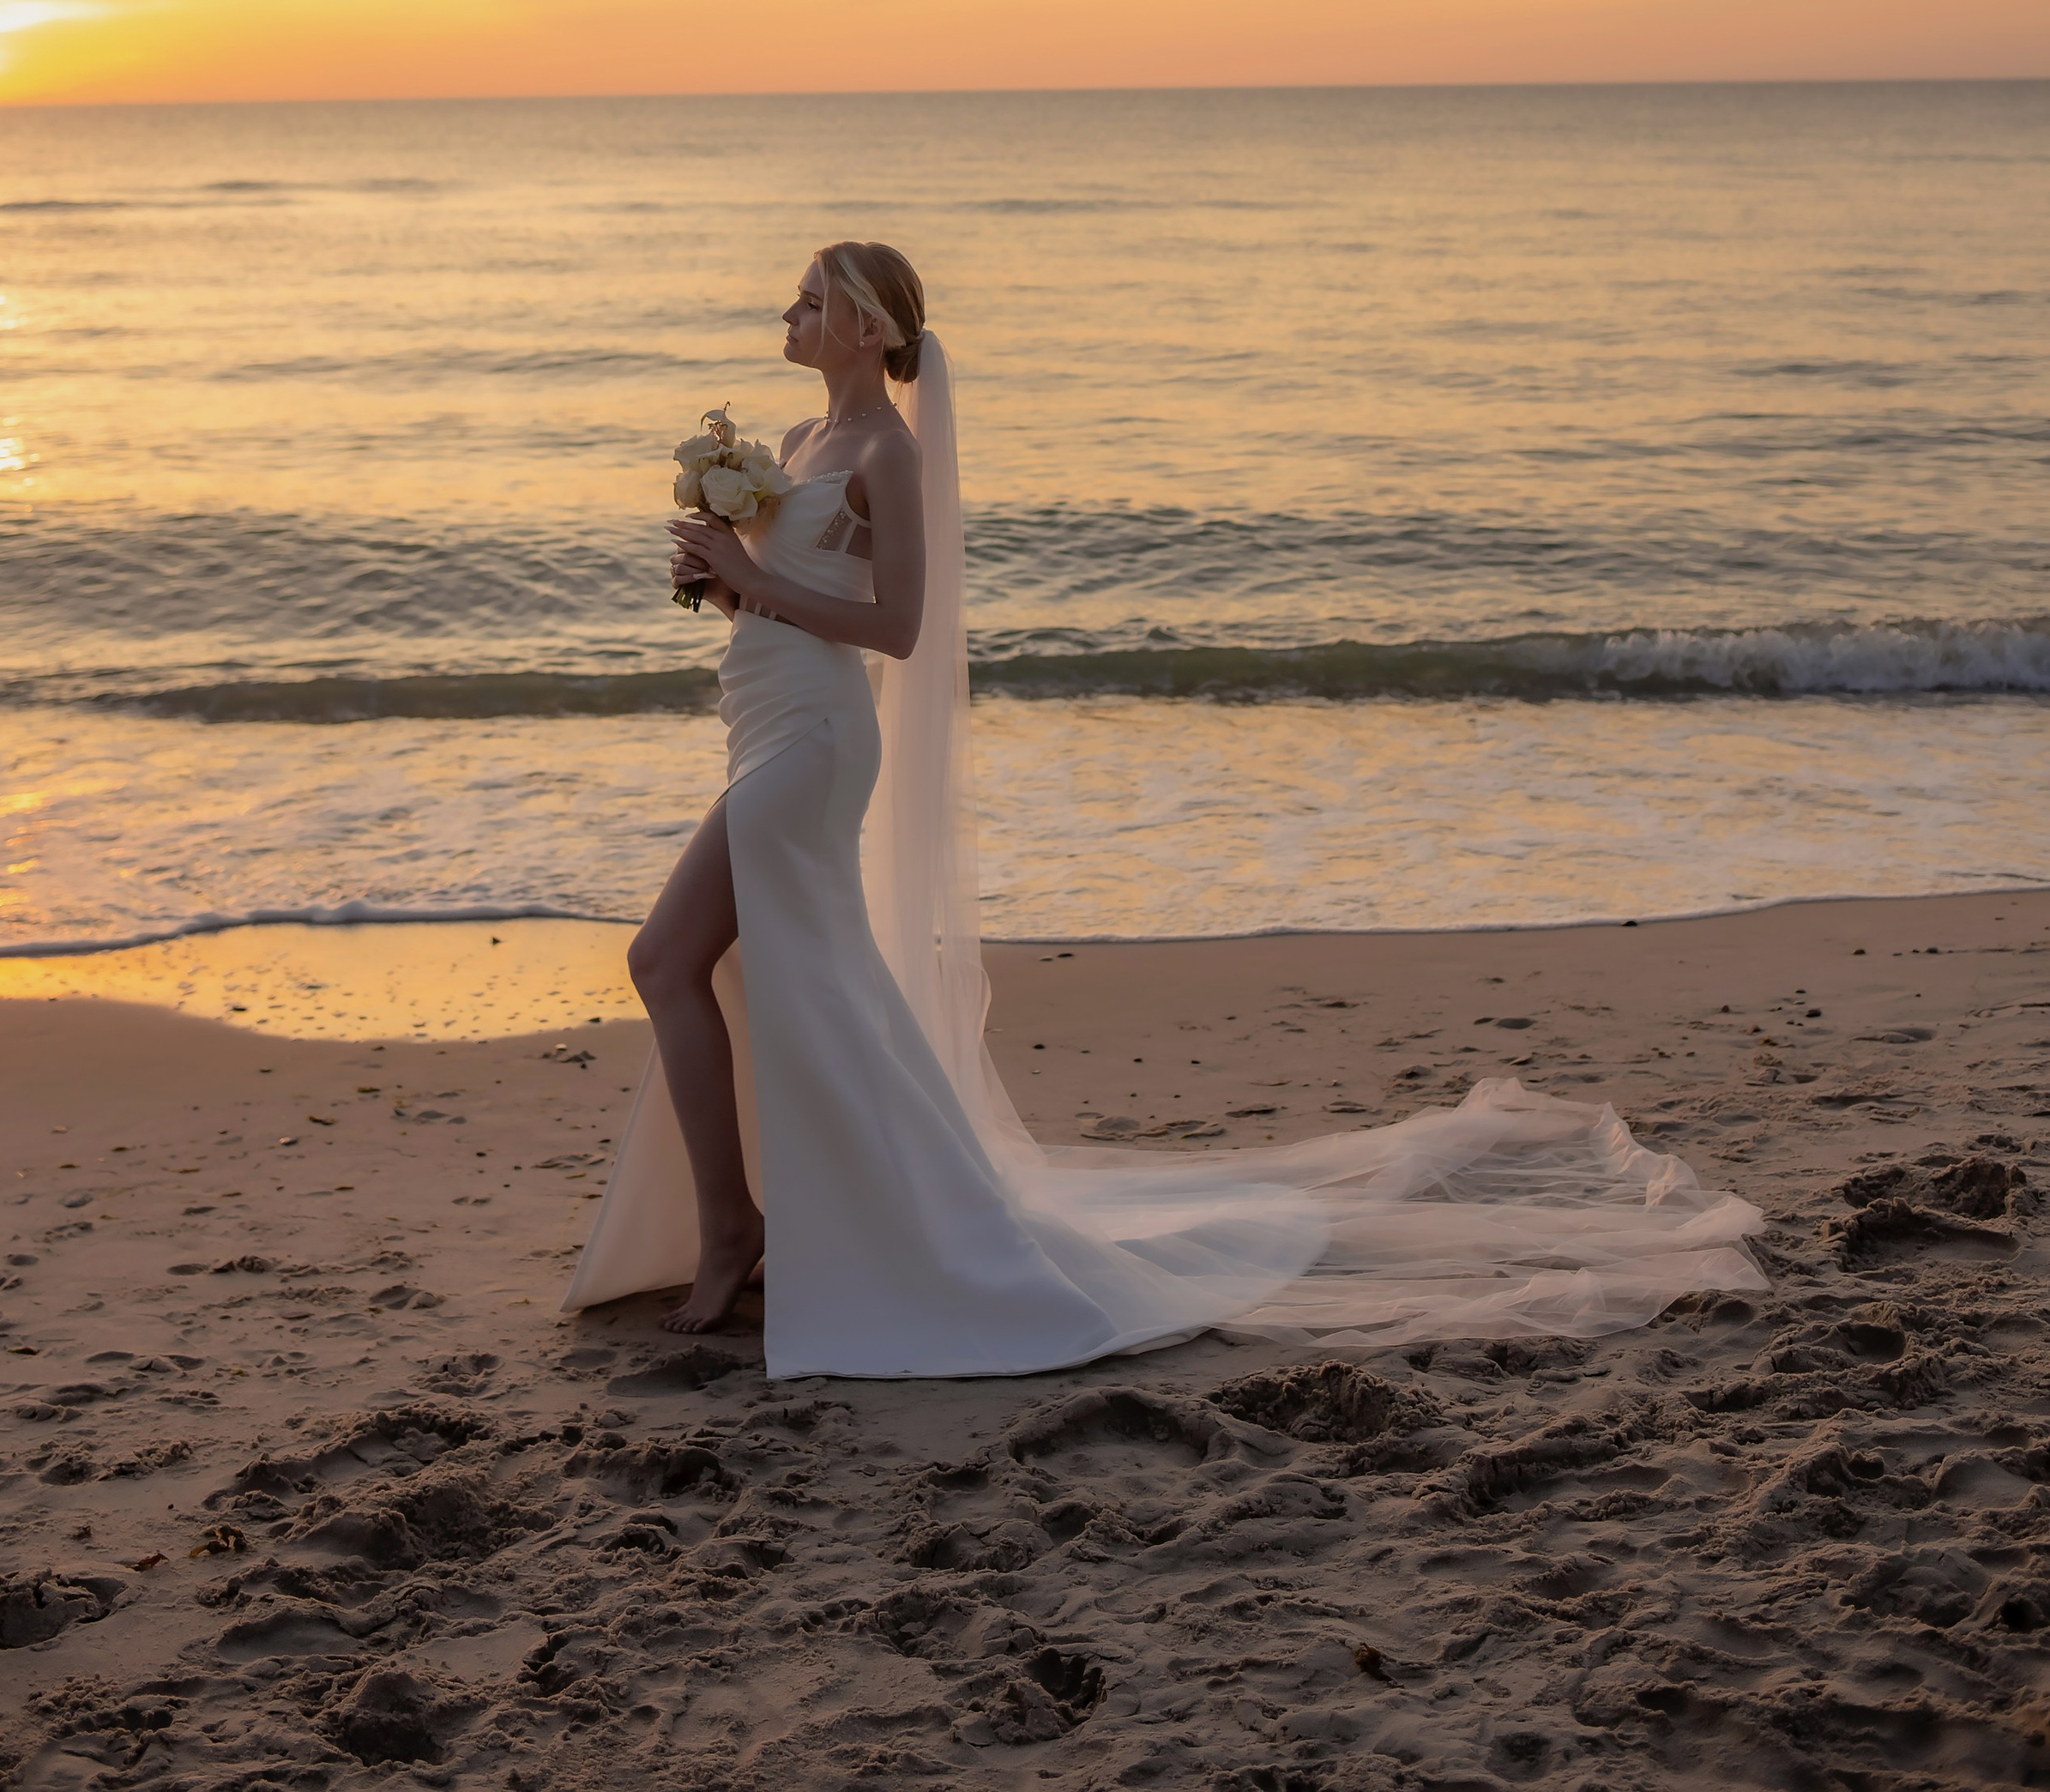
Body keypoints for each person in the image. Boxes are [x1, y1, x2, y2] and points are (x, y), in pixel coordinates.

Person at [558, 244, 1762, 1380]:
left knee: (677, 961)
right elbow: (783, 606)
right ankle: (757, 1219)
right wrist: (723, 585)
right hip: (762, 719)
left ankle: (738, 1229)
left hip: (819, 743)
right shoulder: (795, 434)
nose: (788, 315)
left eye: (809, 302)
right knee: (759, 978)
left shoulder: (890, 457)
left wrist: (758, 579)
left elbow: (901, 630)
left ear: (867, 327)